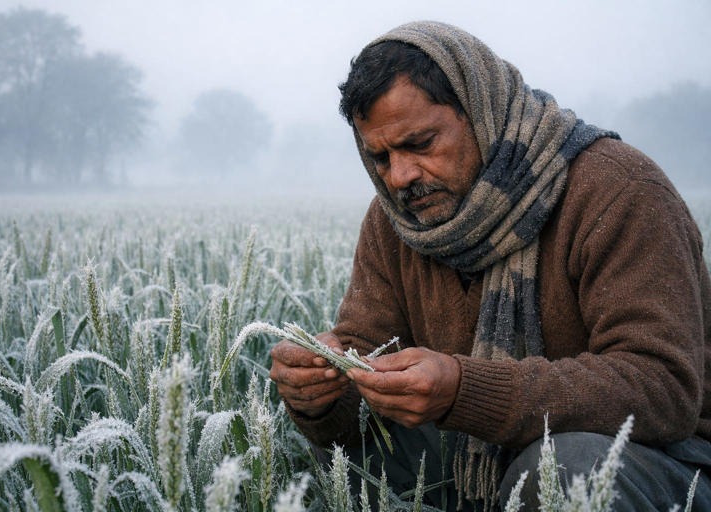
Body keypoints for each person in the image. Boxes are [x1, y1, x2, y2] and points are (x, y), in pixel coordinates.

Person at [269, 21, 711, 511]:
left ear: (481, 112)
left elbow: (662, 388)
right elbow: (364, 356)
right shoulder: (396, 219)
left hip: (664, 460)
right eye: (379, 156)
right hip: (476, 451)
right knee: (346, 463)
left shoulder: (620, 191)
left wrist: (465, 391)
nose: (400, 176)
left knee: (562, 470)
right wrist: (321, 391)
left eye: (419, 143)